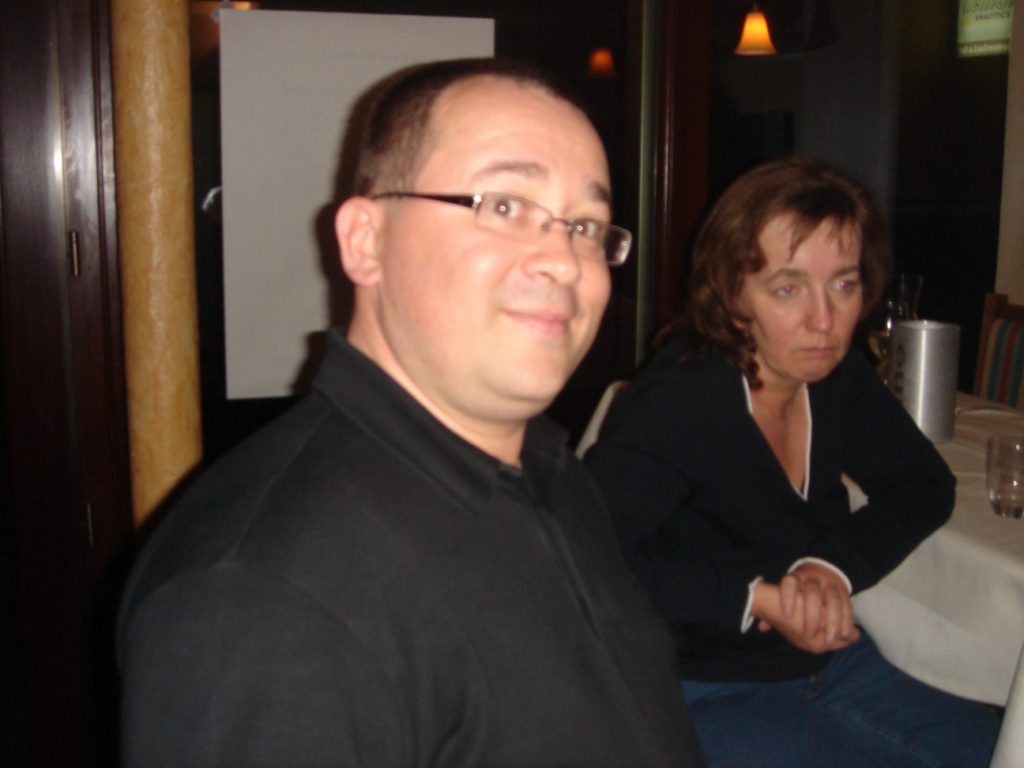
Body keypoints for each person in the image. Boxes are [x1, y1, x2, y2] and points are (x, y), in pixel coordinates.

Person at [116, 58, 706, 767]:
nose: (565, 259)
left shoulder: (552, 472)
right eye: (505, 206)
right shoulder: (259, 595)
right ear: (366, 242)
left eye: (586, 225)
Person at [586, 157, 1000, 767]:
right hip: (693, 683)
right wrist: (753, 598)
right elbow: (580, 555)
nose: (824, 322)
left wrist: (829, 568)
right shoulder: (682, 402)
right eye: (788, 288)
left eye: (843, 285)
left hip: (830, 662)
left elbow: (923, 483)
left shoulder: (834, 376)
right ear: (733, 295)